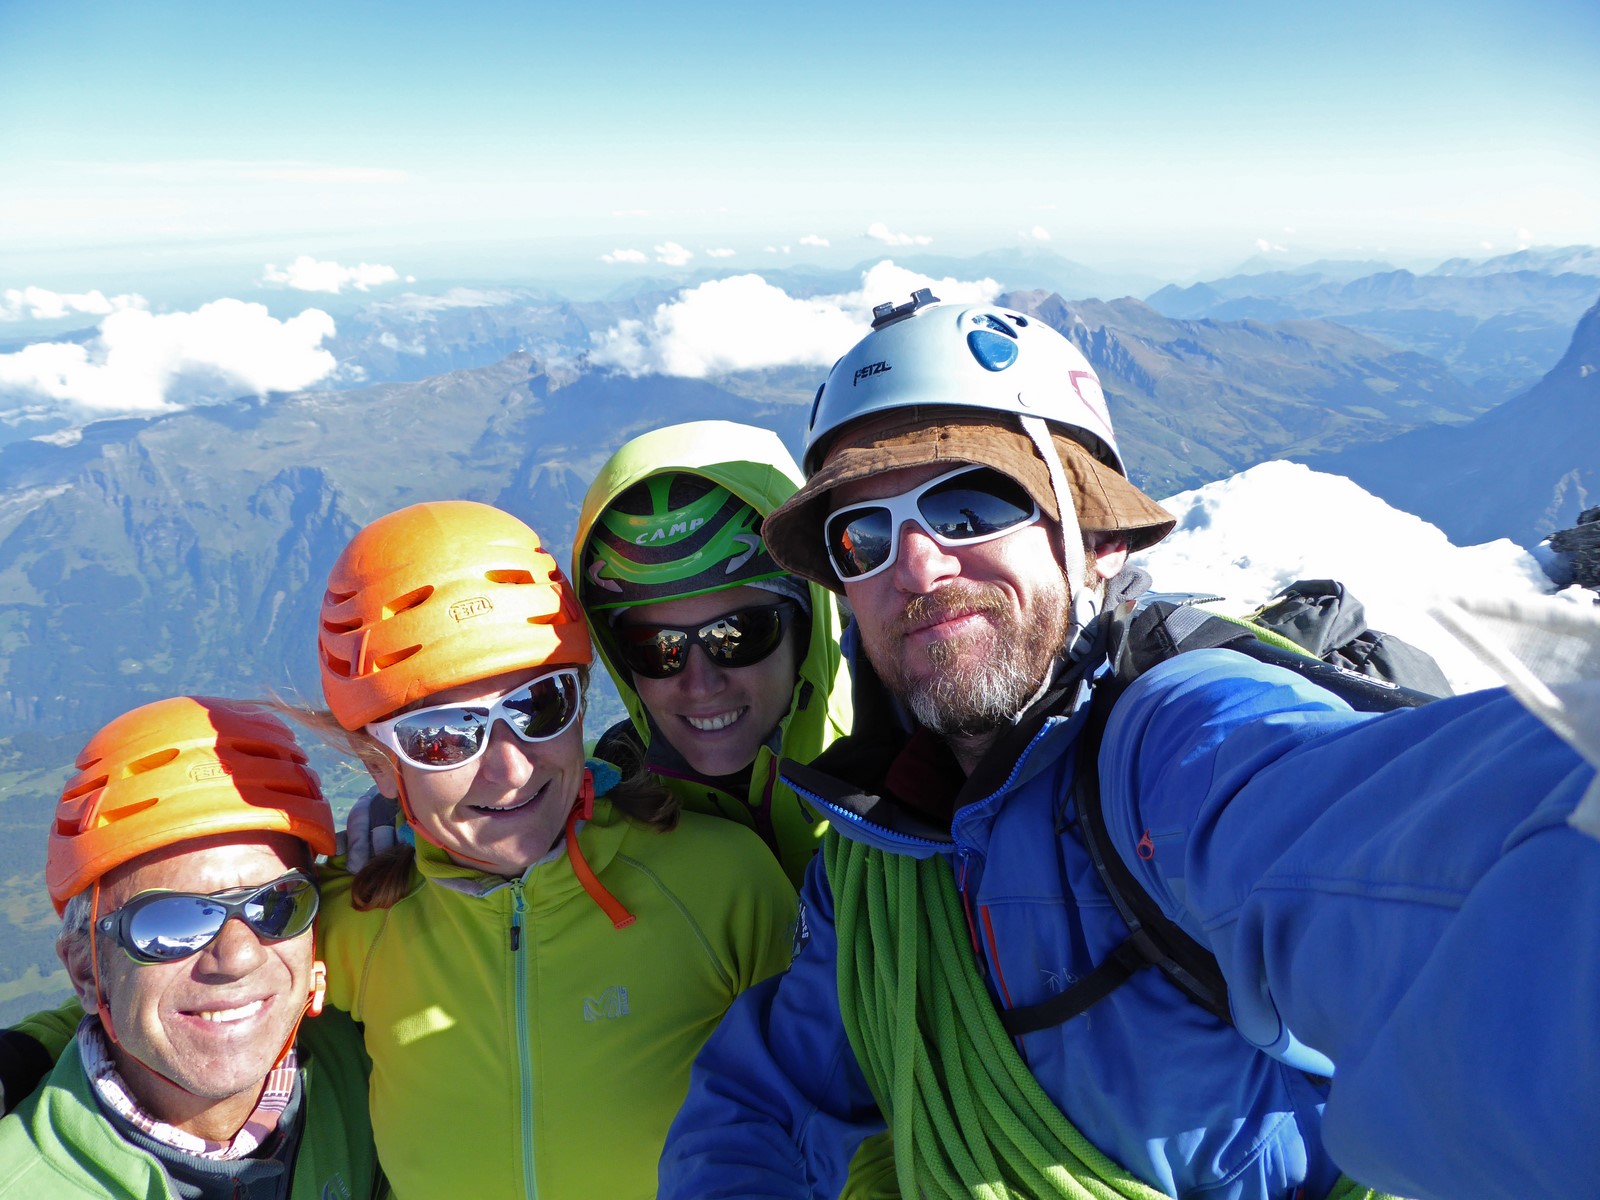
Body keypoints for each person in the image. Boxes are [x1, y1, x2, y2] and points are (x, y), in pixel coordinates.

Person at [658, 293, 1598, 1200]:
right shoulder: (875, 865)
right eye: (862, 535)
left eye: (971, 505)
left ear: (1097, 536)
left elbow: (1418, 852)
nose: (917, 565)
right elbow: (761, 1109)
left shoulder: (1170, 747)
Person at [309, 499, 795, 1199]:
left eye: (540, 706)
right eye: (443, 737)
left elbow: (839, 1112)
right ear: (379, 765)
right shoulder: (346, 926)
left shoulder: (722, 884)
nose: (511, 768)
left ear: (583, 703)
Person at [0, 696, 381, 1200]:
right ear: (87, 972)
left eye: (277, 905)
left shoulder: (383, 1067)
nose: (239, 957)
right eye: (173, 921)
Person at [573, 419, 853, 887]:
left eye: (736, 635)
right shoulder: (590, 805)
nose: (701, 685)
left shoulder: (920, 772)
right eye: (656, 648)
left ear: (806, 629)